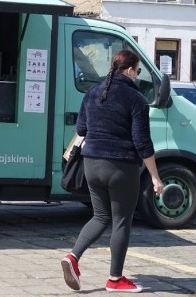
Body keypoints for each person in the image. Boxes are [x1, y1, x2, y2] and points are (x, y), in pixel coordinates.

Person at [61, 50, 164, 293]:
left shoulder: (92, 92)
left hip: (91, 164)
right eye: (138, 71)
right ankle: (115, 280)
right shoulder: (135, 98)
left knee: (100, 216)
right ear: (129, 70)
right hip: (120, 167)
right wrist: (155, 176)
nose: (138, 76)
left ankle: (73, 257)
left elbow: (82, 129)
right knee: (121, 222)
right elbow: (142, 143)